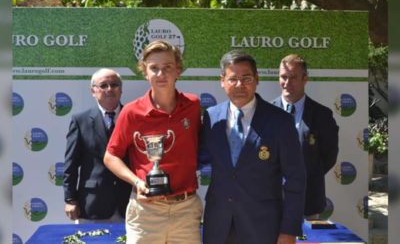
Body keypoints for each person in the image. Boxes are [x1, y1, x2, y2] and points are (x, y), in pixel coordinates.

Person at [201, 50, 306, 244]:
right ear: (222, 81)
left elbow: (296, 179)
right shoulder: (210, 117)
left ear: (257, 79)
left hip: (263, 228)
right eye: (233, 79)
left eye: (246, 78)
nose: (239, 85)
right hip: (218, 226)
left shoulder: (280, 121)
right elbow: (195, 159)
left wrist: (289, 231)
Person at [104, 40, 202, 244]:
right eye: (154, 68)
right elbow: (110, 156)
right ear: (145, 72)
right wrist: (137, 182)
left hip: (185, 208)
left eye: (167, 67)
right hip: (146, 211)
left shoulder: (193, 105)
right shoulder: (131, 112)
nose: (161, 74)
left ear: (178, 70)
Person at [270, 54, 339, 218]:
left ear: (305, 79)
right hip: (271, 202)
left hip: (308, 202)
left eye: (293, 77)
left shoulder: (322, 115)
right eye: (283, 77)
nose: (287, 83)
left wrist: (304, 178)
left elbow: (329, 156)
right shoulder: (266, 112)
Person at [63, 68, 131, 223]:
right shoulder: (80, 120)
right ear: (93, 90)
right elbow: (71, 164)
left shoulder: (134, 117)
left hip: (130, 203)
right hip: (92, 204)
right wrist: (70, 199)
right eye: (103, 85)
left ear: (121, 89)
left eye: (114, 85)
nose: (109, 89)